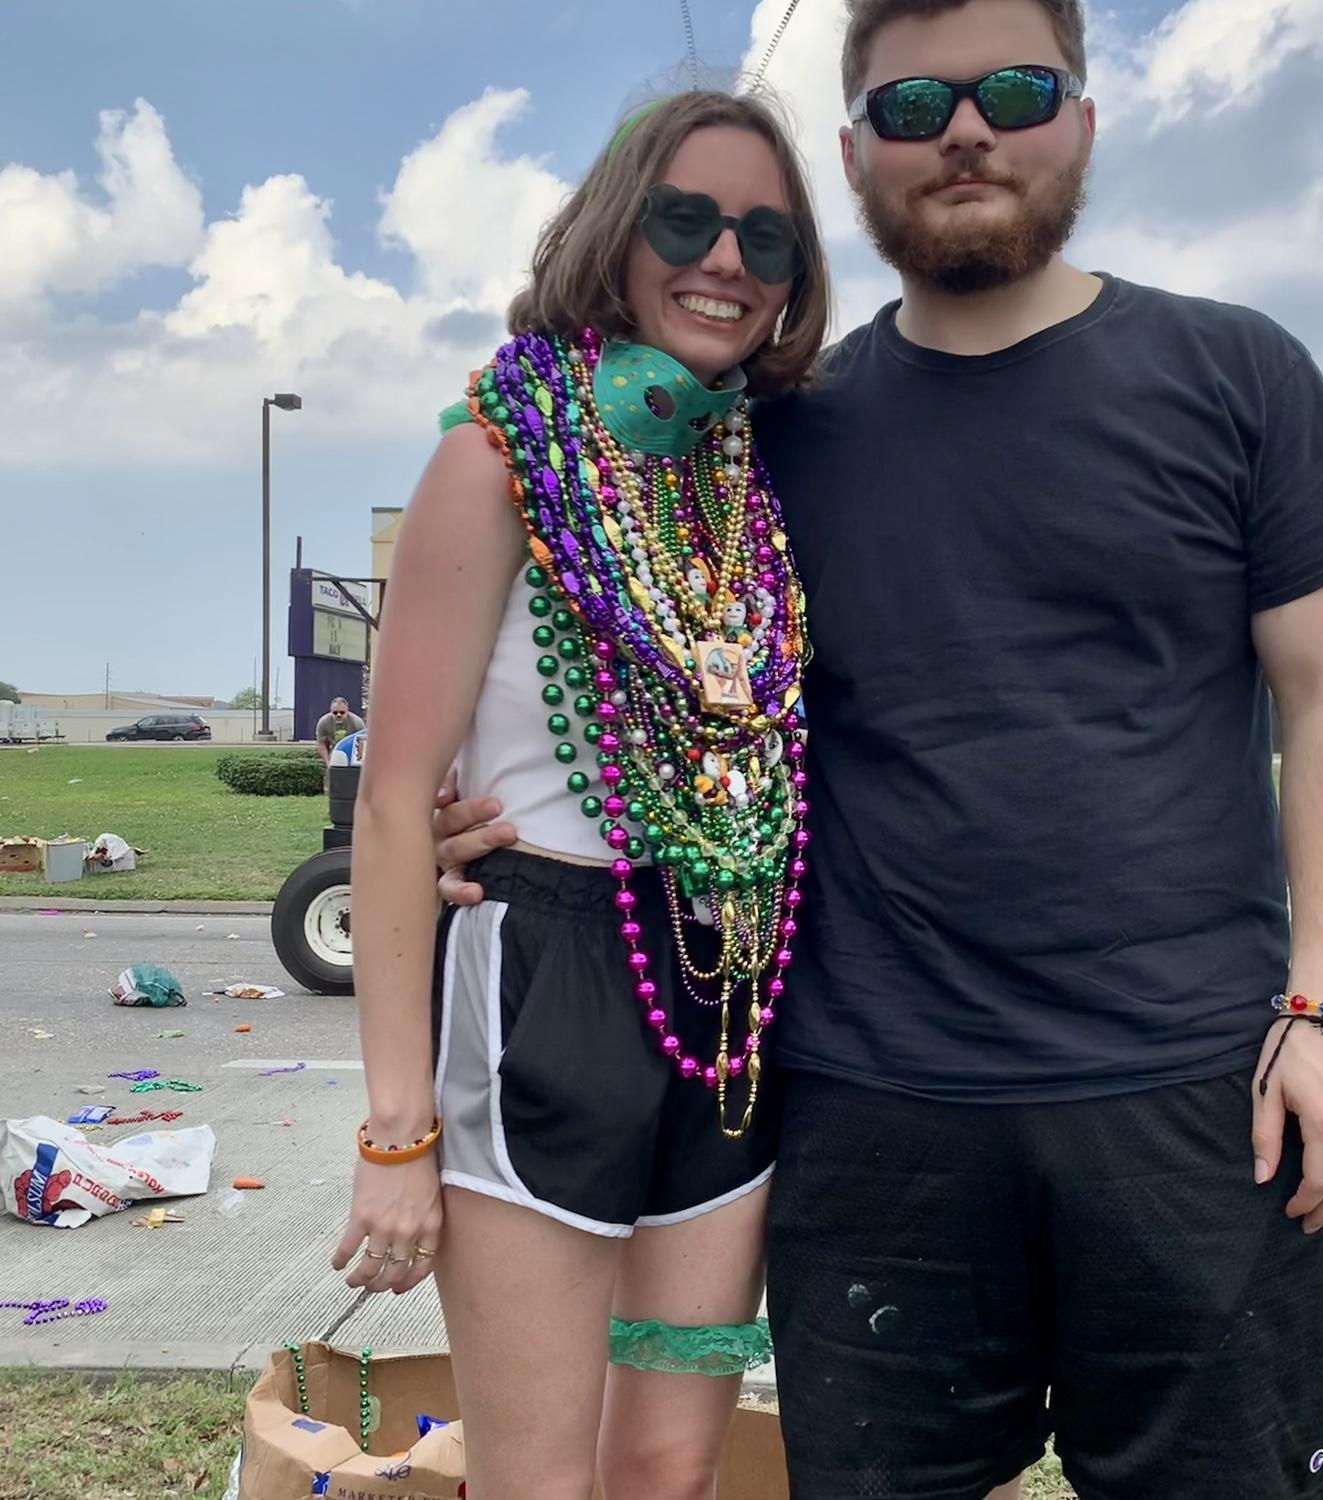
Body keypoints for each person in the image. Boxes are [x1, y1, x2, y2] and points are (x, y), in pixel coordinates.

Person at [436, 2, 1323, 1496]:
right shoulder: (768, 434)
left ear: (1082, 117)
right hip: (871, 1119)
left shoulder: (1238, 375)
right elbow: (607, 639)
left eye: (1017, 91)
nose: (966, 129)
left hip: (1199, 1107)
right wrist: (464, 818)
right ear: (853, 155)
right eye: (914, 106)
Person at [334, 88, 829, 1500]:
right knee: (538, 1479)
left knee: (668, 1464)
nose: (725, 260)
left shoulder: (753, 474)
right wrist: (393, 1134)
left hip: (729, 987)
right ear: (615, 233)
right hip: (546, 968)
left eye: (767, 236)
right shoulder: (496, 461)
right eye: (687, 219)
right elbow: (391, 805)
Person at [314, 697, 365, 770]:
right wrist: (328, 764)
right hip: (335, 753)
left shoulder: (357, 722)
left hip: (353, 754)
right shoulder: (323, 722)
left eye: (342, 712)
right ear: (330, 711)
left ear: (347, 711)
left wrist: (359, 761)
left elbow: (362, 743)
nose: (338, 715)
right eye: (335, 712)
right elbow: (321, 744)